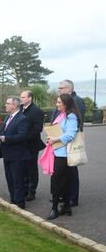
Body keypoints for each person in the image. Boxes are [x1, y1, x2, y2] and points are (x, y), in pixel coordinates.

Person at [45, 93, 81, 220]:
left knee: (57, 182)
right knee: (65, 181)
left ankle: (55, 208)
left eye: (59, 102)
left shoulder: (71, 117)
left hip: (64, 155)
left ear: (66, 104)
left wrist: (54, 139)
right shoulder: (61, 115)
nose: (57, 104)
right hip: (58, 153)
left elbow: (70, 135)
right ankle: (66, 206)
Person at [51, 79, 85, 207]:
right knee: (65, 174)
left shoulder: (76, 102)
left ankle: (71, 198)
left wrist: (58, 137)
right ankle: (64, 197)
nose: (59, 90)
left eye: (61, 88)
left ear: (69, 88)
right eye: (59, 88)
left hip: (70, 146)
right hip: (60, 145)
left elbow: (77, 124)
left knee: (71, 172)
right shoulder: (63, 101)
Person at [0, 96, 31, 209]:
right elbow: (3, 131)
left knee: (17, 180)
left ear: (14, 105)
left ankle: (20, 203)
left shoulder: (22, 119)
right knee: (10, 179)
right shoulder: (7, 117)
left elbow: (22, 136)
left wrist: (6, 138)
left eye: (7, 103)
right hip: (7, 154)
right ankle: (13, 200)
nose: (5, 105)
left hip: (18, 155)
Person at [20, 90, 46, 201]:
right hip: (20, 145)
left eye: (23, 97)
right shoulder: (20, 109)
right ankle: (24, 190)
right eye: (20, 97)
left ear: (30, 98)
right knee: (22, 168)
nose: (21, 99)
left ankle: (31, 191)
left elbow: (38, 129)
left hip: (31, 145)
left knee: (31, 169)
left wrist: (25, 138)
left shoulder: (36, 111)